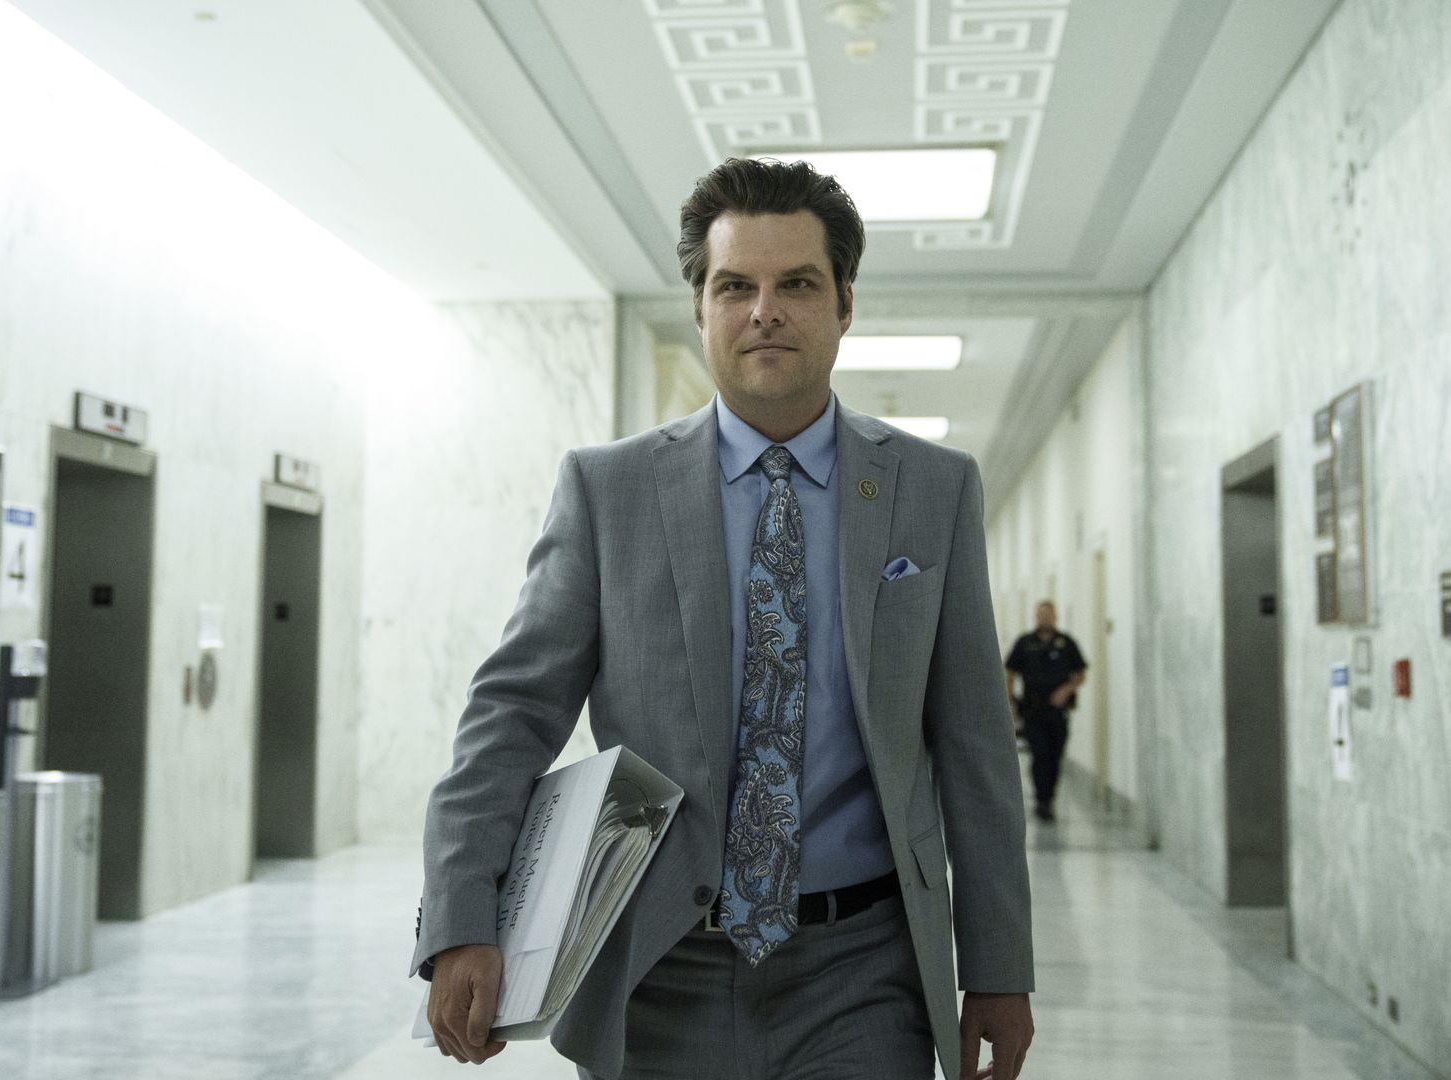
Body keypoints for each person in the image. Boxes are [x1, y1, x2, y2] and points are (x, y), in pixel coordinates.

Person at [413, 157, 1035, 1080]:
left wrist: (997, 968)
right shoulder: (608, 490)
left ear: (845, 304)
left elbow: (976, 744)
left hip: (863, 970)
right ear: (700, 307)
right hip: (659, 968)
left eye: (798, 284)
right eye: (736, 284)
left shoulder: (931, 490)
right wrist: (462, 913)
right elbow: (510, 715)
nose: (765, 310)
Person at [1004, 601, 1088, 822]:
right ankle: (1042, 801)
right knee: (1039, 755)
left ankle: (1049, 797)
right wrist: (1011, 702)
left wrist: (1065, 689)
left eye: (1048, 614)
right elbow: (1010, 672)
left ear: (1055, 616)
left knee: (1055, 756)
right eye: (1040, 614)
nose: (1044, 618)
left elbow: (1080, 674)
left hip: (1058, 712)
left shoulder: (1066, 643)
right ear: (1035, 616)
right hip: (1033, 710)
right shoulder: (1025, 643)